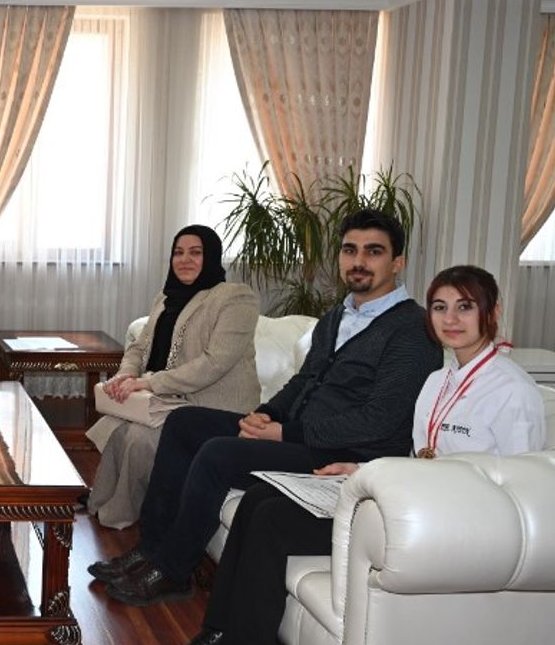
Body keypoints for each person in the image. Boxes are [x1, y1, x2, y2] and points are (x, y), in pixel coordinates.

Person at [91, 209, 443, 605]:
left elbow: (380, 419)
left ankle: (173, 571)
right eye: (350, 250)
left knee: (218, 453)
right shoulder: (338, 316)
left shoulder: (413, 329)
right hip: (299, 435)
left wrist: (284, 432)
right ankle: (151, 549)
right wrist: (267, 414)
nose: (358, 261)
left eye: (373, 251)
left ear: (397, 263)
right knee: (185, 422)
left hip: (343, 454)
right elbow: (303, 381)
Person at [187, 264, 545, 645]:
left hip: (454, 527)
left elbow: (522, 495)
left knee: (272, 520)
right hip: (417, 503)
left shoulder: (512, 391)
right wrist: (359, 468)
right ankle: (218, 630)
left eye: (465, 307)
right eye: (440, 307)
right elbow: (420, 460)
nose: (450, 319)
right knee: (259, 499)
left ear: (493, 311)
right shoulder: (437, 381)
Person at [85, 225, 259, 530]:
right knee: (116, 427)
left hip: (212, 407)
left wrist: (149, 382)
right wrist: (126, 374)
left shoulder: (236, 298)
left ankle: (122, 516)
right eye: (178, 253)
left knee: (139, 438)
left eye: (195, 252)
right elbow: (139, 347)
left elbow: (214, 363)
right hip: (167, 400)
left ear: (211, 256)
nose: (185, 260)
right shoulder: (165, 298)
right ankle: (99, 502)